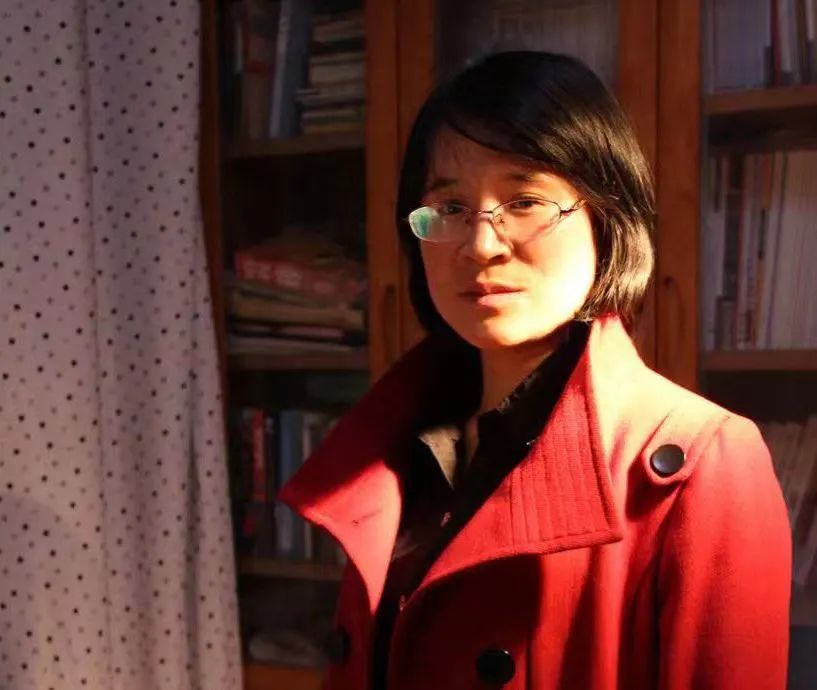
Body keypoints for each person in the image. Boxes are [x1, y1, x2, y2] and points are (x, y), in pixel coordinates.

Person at [279, 51, 790, 690]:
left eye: (524, 200)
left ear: (607, 218)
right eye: (451, 207)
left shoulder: (703, 463)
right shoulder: (394, 441)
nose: (480, 244)